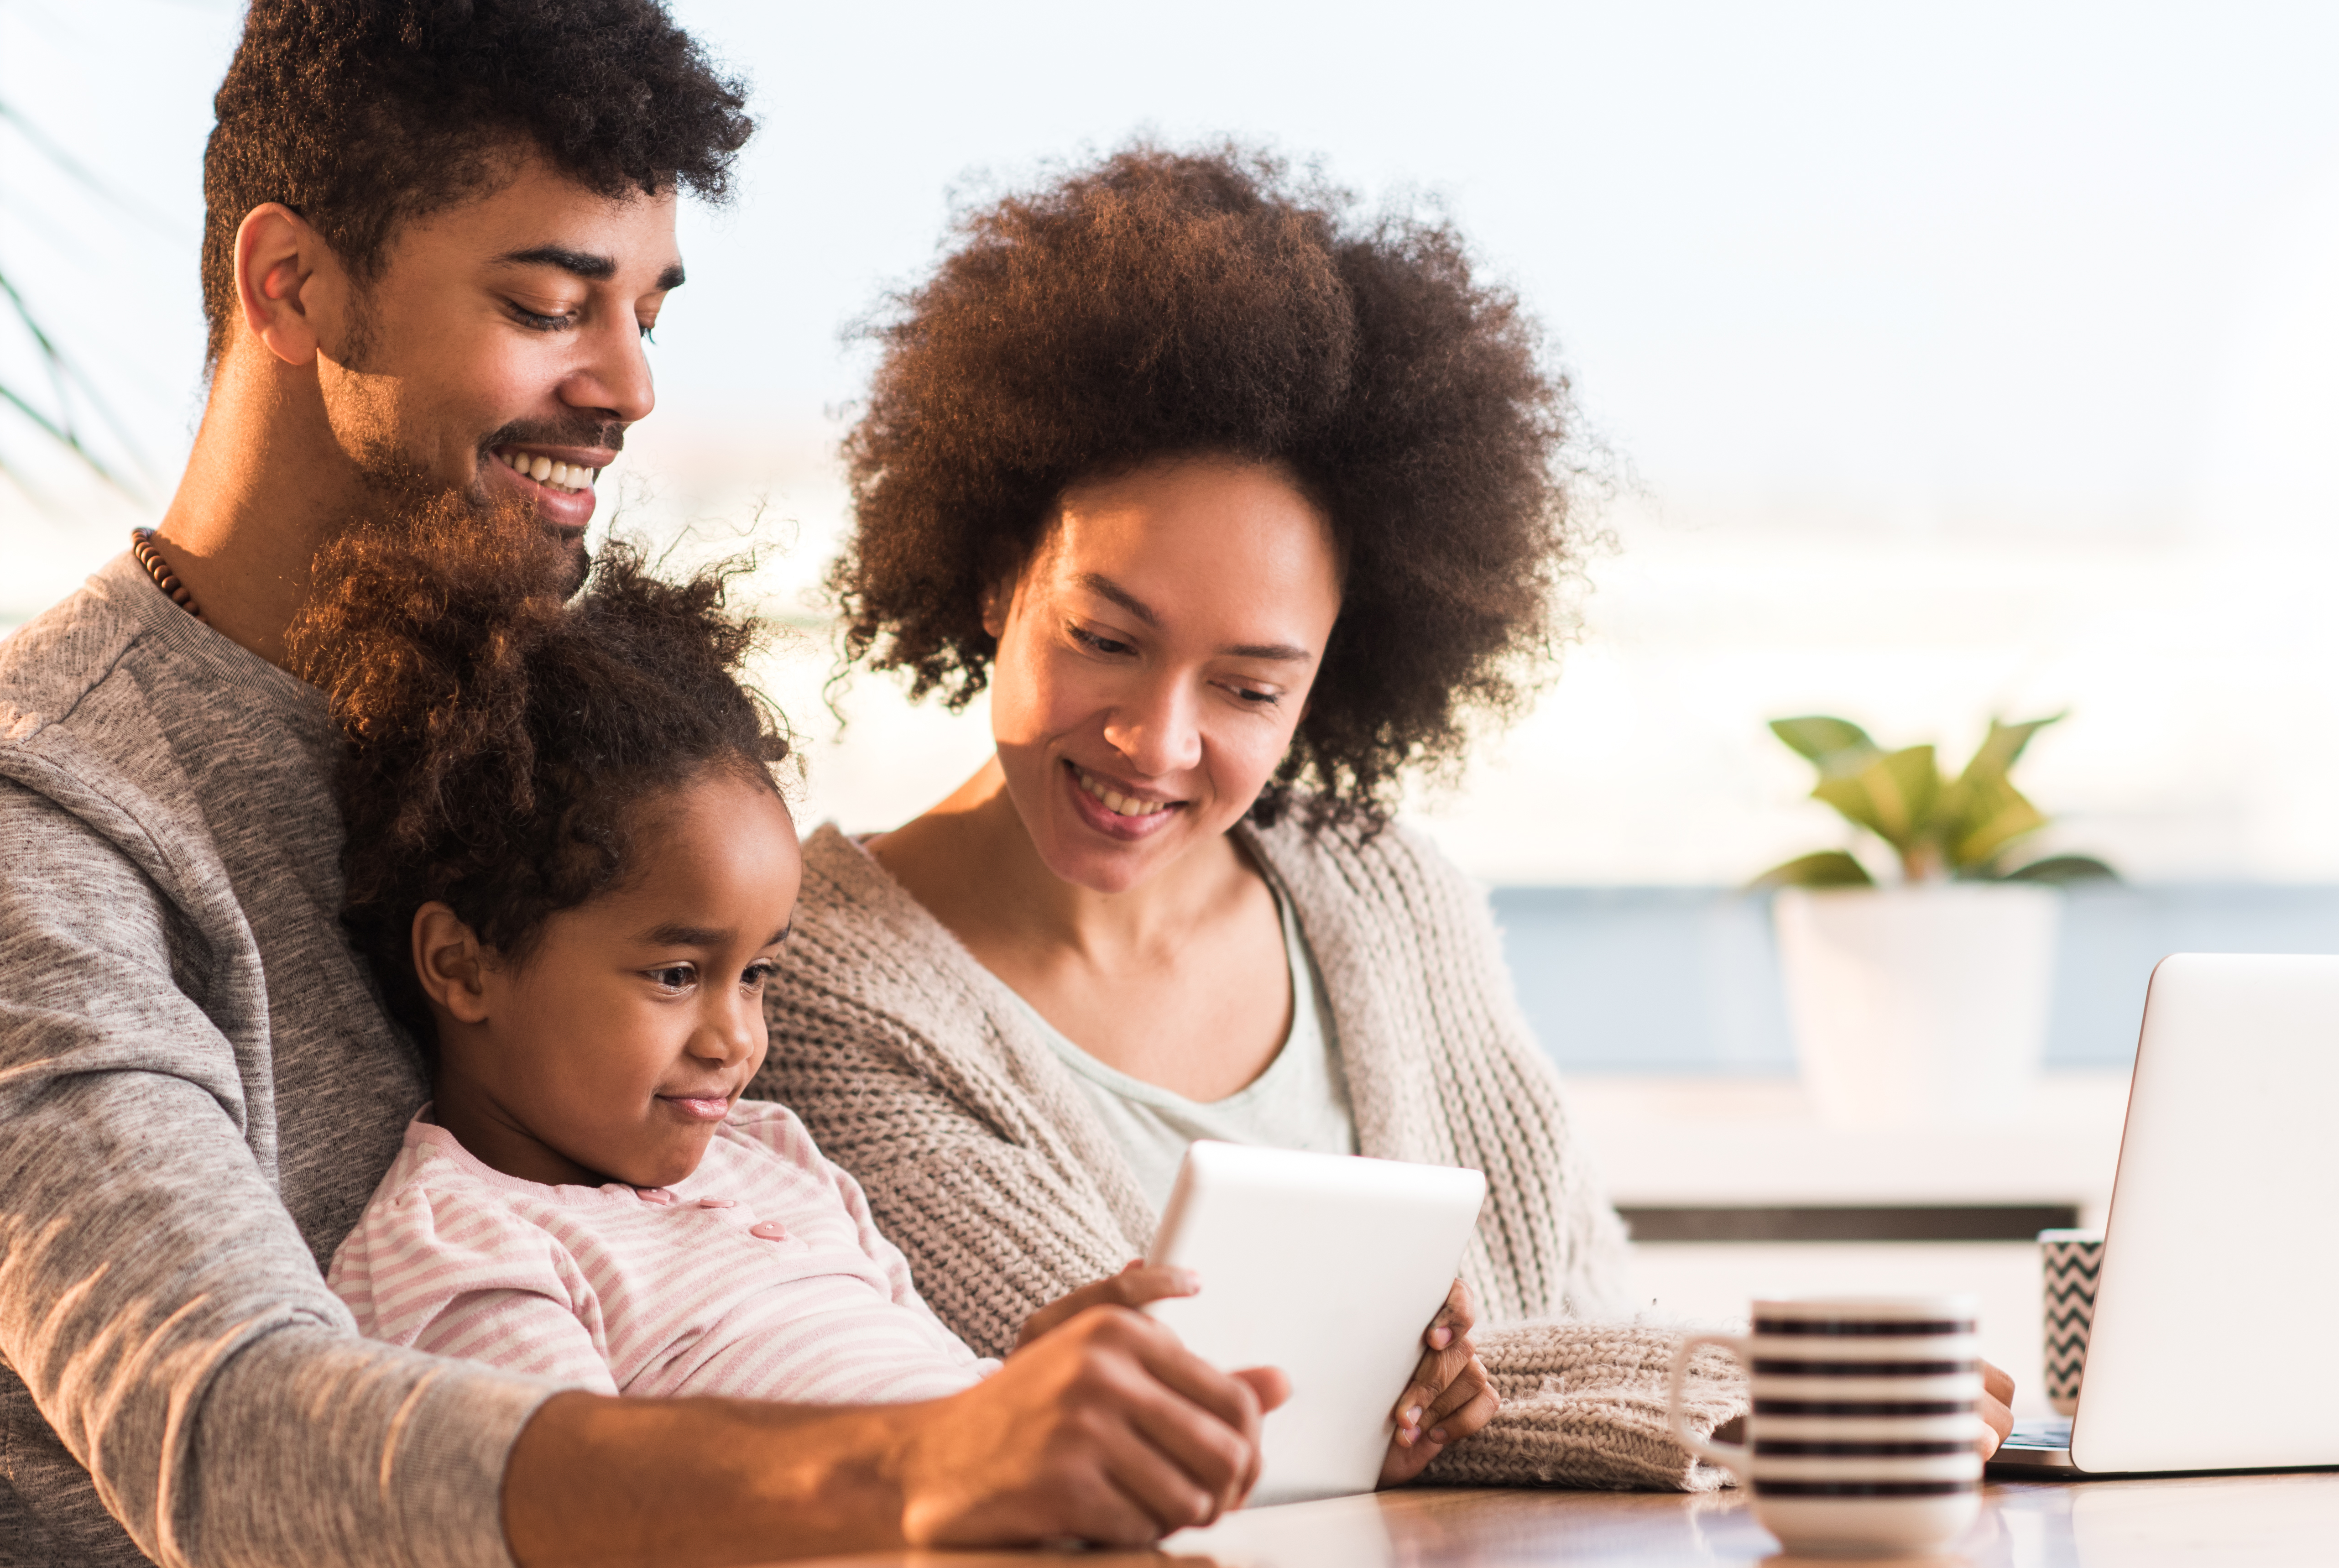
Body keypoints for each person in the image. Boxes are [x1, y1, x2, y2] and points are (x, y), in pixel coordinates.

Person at [0, 0, 1292, 1568]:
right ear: (293, 284)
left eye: (651, 309)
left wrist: (1022, 1393)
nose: (628, 384)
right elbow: (227, 1428)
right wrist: (917, 1475)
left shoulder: (527, 739)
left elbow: (715, 1257)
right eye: (548, 299)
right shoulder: (12, 826)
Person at [298, 495, 1497, 1568]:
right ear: (464, 964)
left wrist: (1062, 1381)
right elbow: (564, 1560)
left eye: (756, 975)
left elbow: (932, 1393)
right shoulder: (462, 1238)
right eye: (677, 976)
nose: (738, 1038)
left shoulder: (773, 1158)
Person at [757, 143, 2016, 1474]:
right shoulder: (815, 988)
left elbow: (1572, 1308)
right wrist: (1773, 1390)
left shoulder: (1386, 897)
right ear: (995, 575)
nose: (1157, 740)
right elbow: (1193, 1417)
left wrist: (1724, 1390)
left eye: (1249, 687)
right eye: (1105, 637)